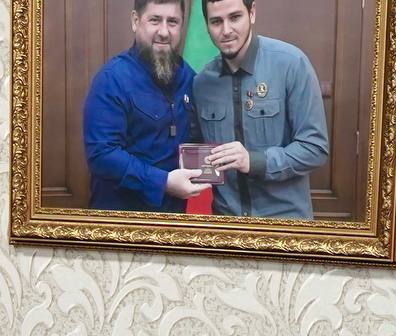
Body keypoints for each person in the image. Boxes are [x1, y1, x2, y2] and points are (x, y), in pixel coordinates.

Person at [191, 0, 329, 218]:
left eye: (235, 17)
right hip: (226, 224)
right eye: (216, 21)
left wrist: (254, 161)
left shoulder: (292, 63)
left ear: (252, 13)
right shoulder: (202, 83)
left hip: (284, 223)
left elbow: (315, 149)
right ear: (207, 25)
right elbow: (199, 152)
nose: (226, 30)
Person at [83, 0, 210, 211]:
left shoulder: (190, 78)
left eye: (172, 22)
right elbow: (101, 155)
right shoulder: (112, 79)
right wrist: (162, 183)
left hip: (175, 218)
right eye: (155, 20)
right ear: (136, 21)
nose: (164, 32)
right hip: (123, 220)